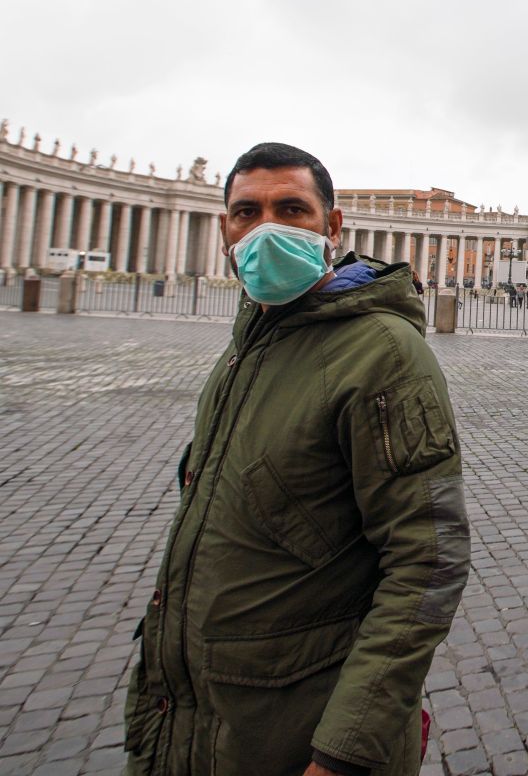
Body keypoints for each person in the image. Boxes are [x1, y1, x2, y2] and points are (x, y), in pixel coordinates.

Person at [123, 143, 470, 776]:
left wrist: (343, 753)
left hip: (301, 730)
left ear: (332, 227)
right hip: (199, 717)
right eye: (246, 213)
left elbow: (429, 559)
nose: (266, 229)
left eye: (291, 209)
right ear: (225, 229)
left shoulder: (383, 354)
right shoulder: (247, 344)